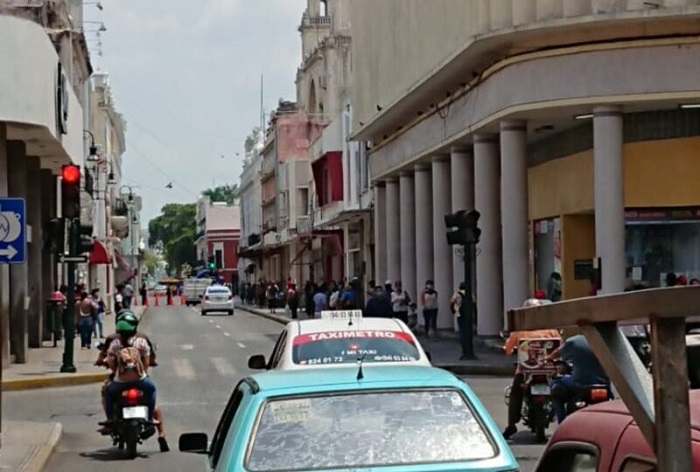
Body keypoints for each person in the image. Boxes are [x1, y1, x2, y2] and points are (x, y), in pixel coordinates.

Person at [96, 312, 169, 452]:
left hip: (119, 382)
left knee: (108, 393)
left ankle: (110, 419)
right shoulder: (142, 340)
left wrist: (117, 371)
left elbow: (111, 363)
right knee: (152, 391)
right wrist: (142, 373)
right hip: (141, 380)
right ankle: (156, 427)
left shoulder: (114, 342)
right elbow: (147, 362)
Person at [502, 298, 562, 439]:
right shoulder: (551, 330)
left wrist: (508, 349)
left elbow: (508, 350)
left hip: (525, 371)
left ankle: (511, 425)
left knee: (515, 394)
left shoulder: (519, 331)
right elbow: (560, 346)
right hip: (547, 370)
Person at [546, 334, 612, 424]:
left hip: (581, 385)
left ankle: (562, 425)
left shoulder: (574, 341)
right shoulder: (608, 340)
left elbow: (558, 353)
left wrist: (548, 358)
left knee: (555, 385)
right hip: (604, 387)